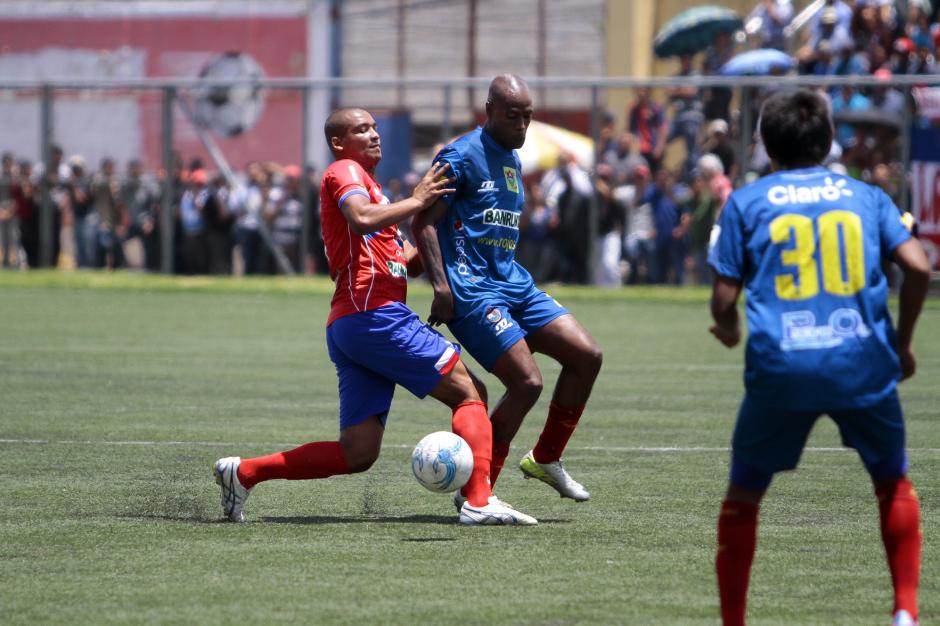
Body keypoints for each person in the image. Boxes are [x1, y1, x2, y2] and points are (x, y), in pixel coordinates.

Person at [214, 107, 537, 526]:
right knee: (469, 393)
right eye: (361, 129)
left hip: (356, 323)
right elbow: (361, 219)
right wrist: (418, 200)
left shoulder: (377, 192)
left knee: (358, 453)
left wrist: (457, 225)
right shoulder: (344, 171)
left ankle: (243, 473)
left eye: (375, 127)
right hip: (374, 316)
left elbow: (407, 261)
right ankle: (478, 499)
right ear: (338, 143)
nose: (373, 135)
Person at [708, 88, 928, 626]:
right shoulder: (868, 196)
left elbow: (724, 298)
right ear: (829, 139)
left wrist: (729, 327)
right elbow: (919, 268)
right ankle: (905, 611)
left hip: (784, 365)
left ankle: (734, 620)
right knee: (891, 480)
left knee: (745, 493)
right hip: (862, 360)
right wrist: (901, 344)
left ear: (765, 146)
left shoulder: (747, 201)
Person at [412, 75, 603, 508]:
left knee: (586, 356)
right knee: (526, 383)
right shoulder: (459, 156)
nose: (521, 125)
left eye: (527, 117)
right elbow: (422, 221)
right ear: (489, 111)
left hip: (514, 283)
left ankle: (546, 458)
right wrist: (441, 287)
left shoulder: (514, 160)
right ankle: (478, 492)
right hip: (473, 292)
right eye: (512, 116)